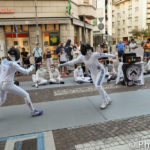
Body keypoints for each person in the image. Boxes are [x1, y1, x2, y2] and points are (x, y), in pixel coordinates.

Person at [59, 43, 115, 109]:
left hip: (100, 71)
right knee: (98, 87)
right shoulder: (81, 57)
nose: (89, 52)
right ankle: (108, 98)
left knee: (98, 86)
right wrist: (63, 64)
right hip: (93, 73)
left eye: (89, 50)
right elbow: (72, 62)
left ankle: (105, 101)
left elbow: (105, 54)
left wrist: (113, 56)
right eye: (87, 51)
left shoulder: (94, 54)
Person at [0, 47, 43, 117]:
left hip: (0, 83)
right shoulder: (14, 64)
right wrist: (32, 67)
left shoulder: (3, 60)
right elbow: (26, 72)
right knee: (26, 95)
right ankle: (33, 112)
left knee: (2, 101)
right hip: (8, 84)